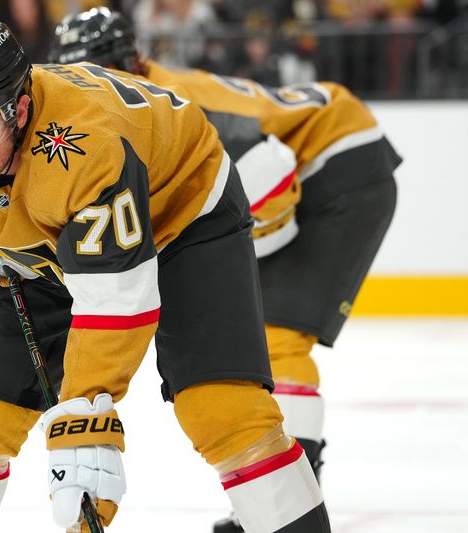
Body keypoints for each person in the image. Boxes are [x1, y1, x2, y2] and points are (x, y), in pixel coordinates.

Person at [0, 20, 332, 533]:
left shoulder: (88, 148)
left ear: (22, 111)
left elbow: (117, 301)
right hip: (54, 234)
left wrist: (85, 421)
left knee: (225, 413)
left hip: (185, 216)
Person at [49, 7, 400, 533]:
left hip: (341, 164)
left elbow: (270, 180)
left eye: (107, 67)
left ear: (135, 61)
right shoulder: (125, 106)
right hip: (315, 162)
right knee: (267, 329)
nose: (96, 82)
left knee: (279, 338)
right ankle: (283, 498)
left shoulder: (178, 107)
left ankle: (290, 501)